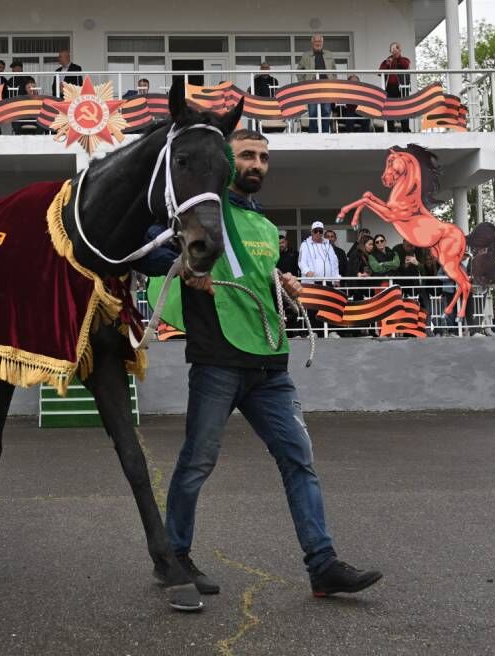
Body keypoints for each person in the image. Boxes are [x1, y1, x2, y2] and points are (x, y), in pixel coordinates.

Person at [141, 127, 382, 598]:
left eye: (264, 158)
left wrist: (282, 279)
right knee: (197, 463)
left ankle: (322, 565)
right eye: (247, 155)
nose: (257, 165)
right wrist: (189, 268)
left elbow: (255, 269)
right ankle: (174, 558)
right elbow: (150, 245)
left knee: (299, 461)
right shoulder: (200, 211)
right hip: (218, 362)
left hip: (271, 365)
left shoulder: (267, 228)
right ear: (227, 162)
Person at [296, 34, 335, 133]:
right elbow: (299, 71)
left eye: (319, 42)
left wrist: (333, 82)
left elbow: (334, 70)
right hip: (312, 88)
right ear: (312, 42)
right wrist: (304, 84)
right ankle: (313, 133)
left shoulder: (329, 54)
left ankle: (325, 133)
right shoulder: (306, 55)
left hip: (327, 87)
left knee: (326, 111)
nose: (318, 44)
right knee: (313, 112)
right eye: (316, 42)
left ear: (322, 42)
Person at [378, 42, 412, 132]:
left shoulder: (404, 59)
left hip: (402, 87)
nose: (394, 50)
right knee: (389, 108)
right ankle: (390, 130)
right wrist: (387, 64)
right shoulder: (387, 61)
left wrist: (397, 58)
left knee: (403, 108)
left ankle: (405, 130)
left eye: (396, 48)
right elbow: (379, 72)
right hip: (389, 87)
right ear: (390, 51)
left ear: (400, 50)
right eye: (392, 49)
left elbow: (405, 66)